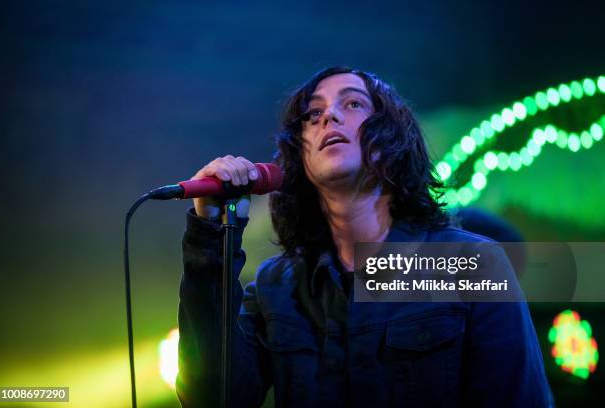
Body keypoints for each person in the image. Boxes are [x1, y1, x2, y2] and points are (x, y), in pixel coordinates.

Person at [176, 67, 552, 407]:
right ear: (300, 157)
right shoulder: (276, 286)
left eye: (353, 103)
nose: (329, 116)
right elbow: (210, 397)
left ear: (391, 138)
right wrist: (209, 233)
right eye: (313, 115)